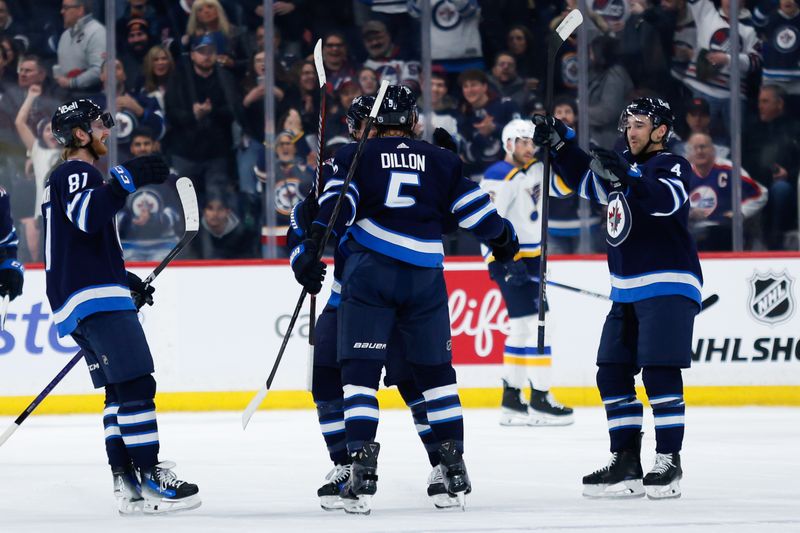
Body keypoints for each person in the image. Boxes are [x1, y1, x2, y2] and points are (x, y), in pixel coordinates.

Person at [290, 85, 524, 513]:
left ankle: (363, 465)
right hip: (420, 277)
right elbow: (473, 216)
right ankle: (449, 463)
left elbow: (332, 211)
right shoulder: (438, 159)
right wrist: (504, 238)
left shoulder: (351, 157)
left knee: (359, 375)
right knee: (429, 374)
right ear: (411, 121)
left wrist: (311, 247)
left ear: (368, 125)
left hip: (367, 279)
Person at [533, 97, 703, 499]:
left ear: (661, 130)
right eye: (628, 124)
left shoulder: (670, 164)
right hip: (625, 287)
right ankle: (626, 462)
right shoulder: (621, 169)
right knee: (610, 371)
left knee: (659, 370)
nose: (631, 130)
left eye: (641, 124)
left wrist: (626, 175)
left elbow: (665, 201)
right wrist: (561, 145)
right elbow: (584, 181)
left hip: (669, 281)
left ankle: (669, 461)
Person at [44, 98, 200, 514]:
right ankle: (150, 476)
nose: (106, 131)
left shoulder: (70, 175)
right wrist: (125, 181)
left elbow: (78, 240)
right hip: (91, 297)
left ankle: (126, 481)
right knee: (136, 385)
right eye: (99, 125)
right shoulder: (75, 171)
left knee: (118, 390)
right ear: (80, 134)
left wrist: (121, 278)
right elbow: (86, 218)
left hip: (88, 292)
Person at [479, 118, 574, 426]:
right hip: (510, 259)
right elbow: (486, 223)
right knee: (541, 324)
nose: (528, 147)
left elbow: (564, 187)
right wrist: (506, 261)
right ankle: (540, 396)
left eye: (531, 141)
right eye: (522, 141)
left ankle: (513, 399)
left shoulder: (536, 169)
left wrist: (560, 151)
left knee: (523, 326)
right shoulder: (497, 176)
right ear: (508, 144)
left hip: (533, 260)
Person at [686, 132, 768, 250]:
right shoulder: (683, 173)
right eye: (695, 148)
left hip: (723, 230)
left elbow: (760, 193)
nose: (699, 151)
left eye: (703, 147)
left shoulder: (729, 169)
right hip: (692, 230)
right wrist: (688, 213)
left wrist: (740, 212)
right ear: (689, 152)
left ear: (713, 149)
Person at [118, 127, 183, 261]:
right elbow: (116, 213)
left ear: (154, 146)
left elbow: (177, 213)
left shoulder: (169, 177)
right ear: (131, 148)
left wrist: (154, 219)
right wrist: (130, 221)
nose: (142, 148)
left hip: (164, 244)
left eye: (146, 144)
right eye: (138, 144)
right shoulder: (121, 177)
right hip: (129, 245)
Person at [54, 0, 106, 95]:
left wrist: (72, 82)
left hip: (91, 96)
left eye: (66, 8)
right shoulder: (65, 35)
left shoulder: (97, 32)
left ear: (80, 10)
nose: (62, 12)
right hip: (65, 95)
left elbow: (99, 70)